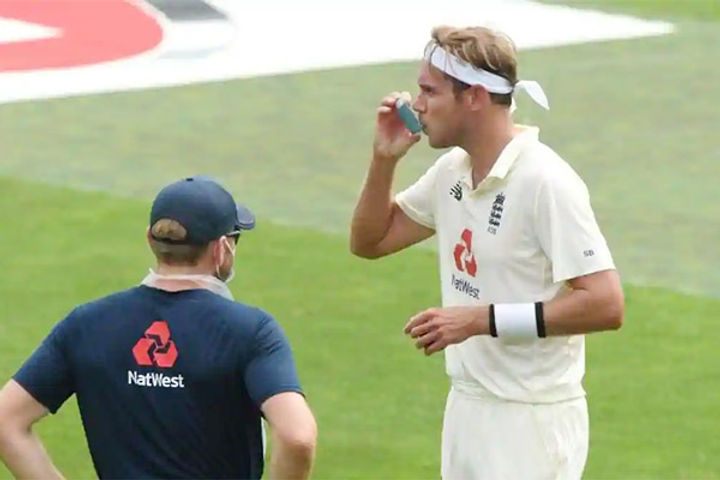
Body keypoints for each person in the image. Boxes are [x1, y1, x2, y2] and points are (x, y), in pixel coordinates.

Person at [350, 25, 624, 480]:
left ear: (473, 97)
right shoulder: (453, 172)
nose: (416, 104)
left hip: (530, 422)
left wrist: (480, 319)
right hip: (468, 406)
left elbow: (606, 303)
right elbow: (370, 242)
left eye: (429, 91)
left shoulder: (545, 181)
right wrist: (384, 160)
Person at [0, 176, 317, 480]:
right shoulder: (251, 331)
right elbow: (297, 437)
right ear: (222, 249)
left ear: (150, 239)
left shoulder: (86, 324)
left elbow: (5, 421)